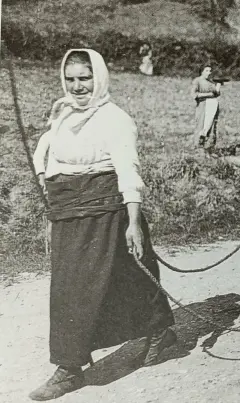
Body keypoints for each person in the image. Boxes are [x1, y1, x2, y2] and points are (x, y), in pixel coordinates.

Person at [29, 49, 175, 401]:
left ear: (99, 77)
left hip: (106, 211)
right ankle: (160, 329)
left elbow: (129, 171)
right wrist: (51, 208)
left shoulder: (115, 119)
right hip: (67, 210)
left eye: (85, 78)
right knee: (123, 274)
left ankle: (69, 367)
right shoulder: (62, 114)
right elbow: (46, 155)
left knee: (77, 288)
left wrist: (134, 223)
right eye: (71, 79)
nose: (78, 86)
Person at [191, 65, 221, 151]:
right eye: (207, 70)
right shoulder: (197, 81)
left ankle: (209, 148)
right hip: (202, 105)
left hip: (213, 105)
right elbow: (194, 94)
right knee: (201, 125)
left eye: (210, 71)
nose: (209, 73)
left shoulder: (211, 82)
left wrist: (218, 86)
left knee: (211, 126)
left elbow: (216, 93)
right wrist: (208, 95)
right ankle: (198, 148)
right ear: (202, 71)